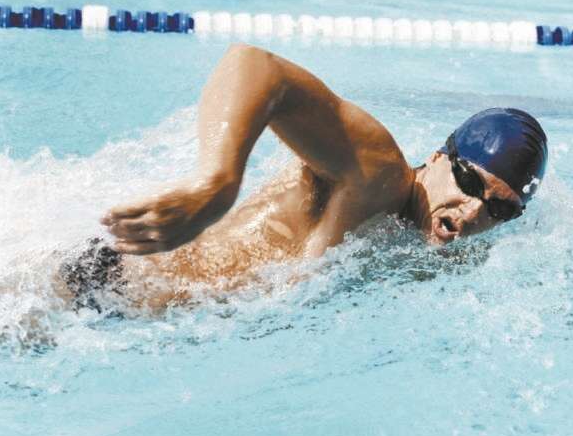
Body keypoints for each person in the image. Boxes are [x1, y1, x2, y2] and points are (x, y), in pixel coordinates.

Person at [57, 43, 547, 313]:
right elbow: (256, 66)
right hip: (105, 284)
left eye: (500, 209)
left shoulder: (441, 250)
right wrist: (217, 185)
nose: (474, 212)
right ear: (440, 157)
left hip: (131, 318)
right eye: (469, 182)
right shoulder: (378, 172)